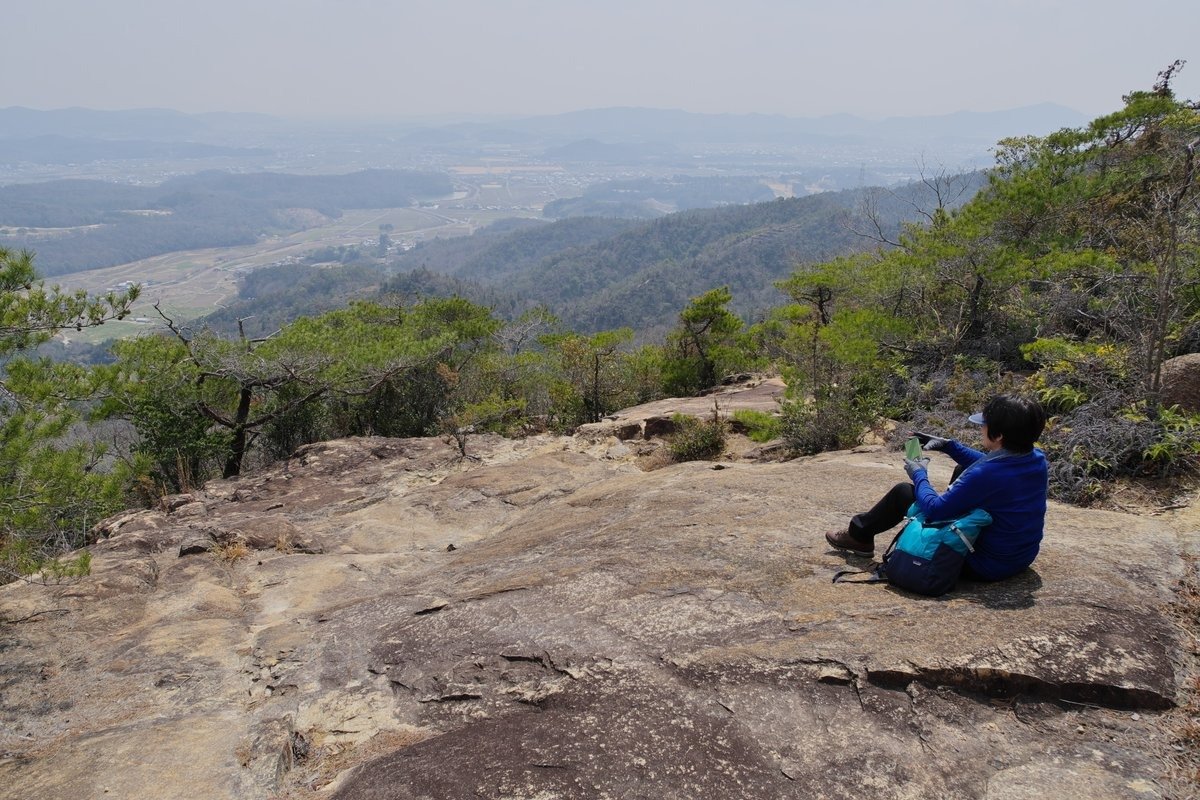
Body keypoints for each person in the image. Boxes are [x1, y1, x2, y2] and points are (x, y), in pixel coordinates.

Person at [825, 394, 1049, 581]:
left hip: (981, 565)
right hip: (1019, 557)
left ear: (998, 435)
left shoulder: (986, 475)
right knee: (963, 469)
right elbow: (988, 463)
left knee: (904, 492)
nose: (981, 428)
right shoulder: (1036, 458)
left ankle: (859, 536)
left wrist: (919, 473)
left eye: (984, 424)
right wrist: (949, 446)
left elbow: (935, 509)